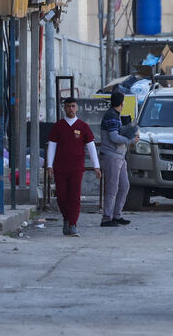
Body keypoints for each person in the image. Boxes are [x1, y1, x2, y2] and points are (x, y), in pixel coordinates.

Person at [46, 97, 101, 237]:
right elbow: (52, 146)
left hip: (77, 167)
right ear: (64, 108)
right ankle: (66, 217)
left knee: (75, 196)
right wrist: (49, 165)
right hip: (60, 167)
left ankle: (73, 224)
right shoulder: (58, 126)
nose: (71, 109)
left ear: (77, 108)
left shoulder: (83, 126)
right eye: (68, 106)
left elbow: (91, 147)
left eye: (73, 106)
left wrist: (96, 166)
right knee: (62, 196)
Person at [99, 91, 139, 227]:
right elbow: (114, 137)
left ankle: (116, 215)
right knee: (112, 188)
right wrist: (130, 140)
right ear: (121, 103)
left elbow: (118, 132)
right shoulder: (111, 116)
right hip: (111, 157)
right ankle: (107, 218)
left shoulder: (115, 115)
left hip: (119, 157)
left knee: (124, 185)